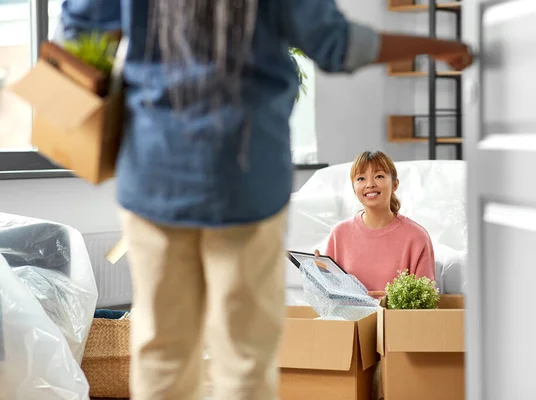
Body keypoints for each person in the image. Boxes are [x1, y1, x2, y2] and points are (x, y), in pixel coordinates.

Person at [57, 1, 471, 399]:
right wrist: (434, 46)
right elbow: (336, 43)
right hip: (245, 176)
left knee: (162, 349)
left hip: (157, 173)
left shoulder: (411, 235)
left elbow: (79, 32)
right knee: (245, 354)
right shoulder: (346, 231)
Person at [316, 151, 436, 297]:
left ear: (395, 184)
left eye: (379, 176)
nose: (370, 184)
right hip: (350, 320)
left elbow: (426, 302)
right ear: (354, 188)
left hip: (397, 320)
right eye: (361, 178)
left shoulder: (417, 237)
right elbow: (329, 298)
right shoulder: (339, 234)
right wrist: (318, 276)